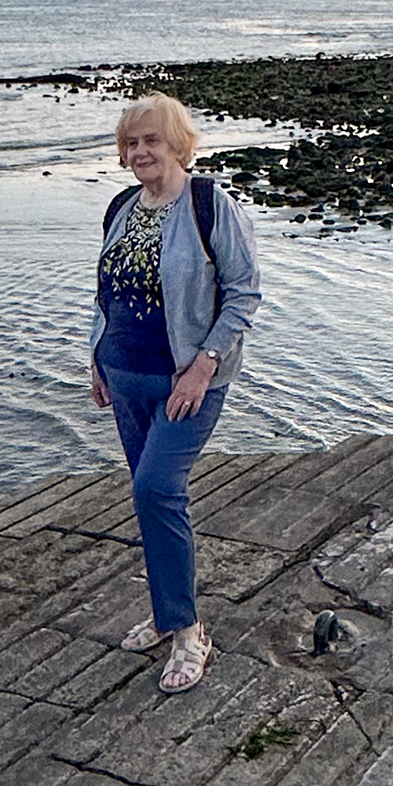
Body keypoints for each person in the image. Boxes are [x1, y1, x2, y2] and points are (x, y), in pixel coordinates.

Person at [90, 93, 261, 692]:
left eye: (152, 141)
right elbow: (106, 292)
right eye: (131, 142)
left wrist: (204, 366)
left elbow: (243, 293)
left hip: (187, 382)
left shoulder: (209, 205)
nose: (140, 152)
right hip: (124, 374)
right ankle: (167, 615)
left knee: (157, 487)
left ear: (178, 145)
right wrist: (96, 356)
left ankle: (189, 632)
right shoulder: (120, 207)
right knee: (152, 500)